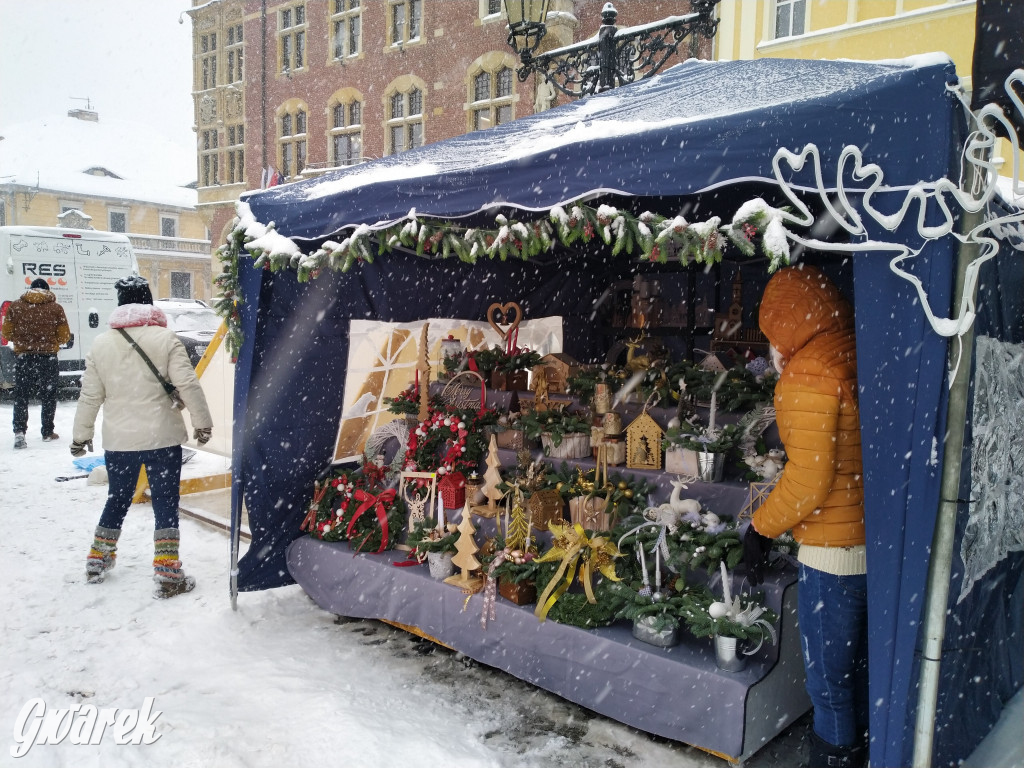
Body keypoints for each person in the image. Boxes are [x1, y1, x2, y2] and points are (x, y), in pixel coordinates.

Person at [743, 264, 867, 768]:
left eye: (772, 331)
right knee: (859, 672)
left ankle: (835, 758)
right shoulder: (855, 348)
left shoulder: (807, 373)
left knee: (828, 680)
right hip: (871, 538)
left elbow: (809, 481)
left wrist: (759, 527)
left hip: (832, 553)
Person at [72, 276, 213, 599]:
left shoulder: (101, 343)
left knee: (117, 498)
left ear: (120, 303)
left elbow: (90, 395)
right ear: (149, 303)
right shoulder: (165, 338)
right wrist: (202, 422)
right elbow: (188, 384)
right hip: (162, 438)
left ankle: (97, 559)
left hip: (119, 442)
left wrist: (81, 435)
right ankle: (167, 571)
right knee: (165, 502)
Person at [2, 278, 71, 449]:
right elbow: (64, 336)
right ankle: (47, 431)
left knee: (21, 395)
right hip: (48, 357)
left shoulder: (16, 306)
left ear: (30, 289)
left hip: (24, 357)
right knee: (48, 395)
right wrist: (49, 340)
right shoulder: (56, 308)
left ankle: (19, 432)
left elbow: (7, 332)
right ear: (47, 290)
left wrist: (23, 340)